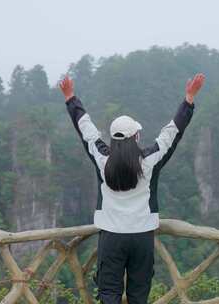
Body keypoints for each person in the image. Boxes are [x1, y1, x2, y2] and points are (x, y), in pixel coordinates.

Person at [59, 73, 205, 304]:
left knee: (109, 293)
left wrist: (70, 98)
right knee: (139, 294)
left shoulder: (102, 159)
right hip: (141, 236)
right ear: (136, 136)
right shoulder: (148, 161)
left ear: (113, 139)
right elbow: (171, 133)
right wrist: (188, 99)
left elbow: (86, 131)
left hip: (111, 237)